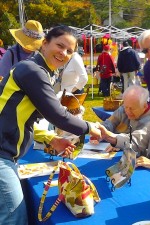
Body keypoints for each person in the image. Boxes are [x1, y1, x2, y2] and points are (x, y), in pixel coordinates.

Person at [0, 25, 102, 225]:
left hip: (7, 153)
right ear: (45, 43)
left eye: (69, 51)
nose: (64, 53)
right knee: (14, 219)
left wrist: (51, 138)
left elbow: (24, 117)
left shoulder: (41, 71)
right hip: (2, 153)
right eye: (60, 45)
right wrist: (90, 128)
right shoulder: (32, 70)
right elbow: (58, 115)